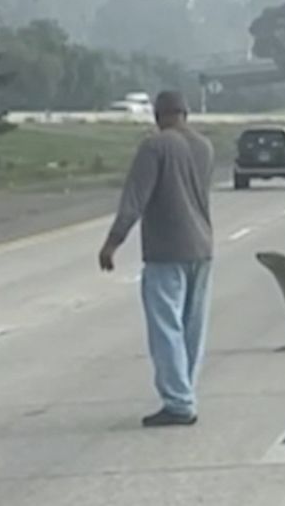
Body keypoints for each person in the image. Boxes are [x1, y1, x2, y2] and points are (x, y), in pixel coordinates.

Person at [98, 91, 215, 426]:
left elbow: (134, 199)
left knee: (166, 327)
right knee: (192, 328)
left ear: (157, 114)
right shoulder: (204, 147)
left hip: (167, 249)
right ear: (186, 112)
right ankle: (185, 392)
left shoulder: (155, 147)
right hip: (202, 247)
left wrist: (112, 242)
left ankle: (178, 403)